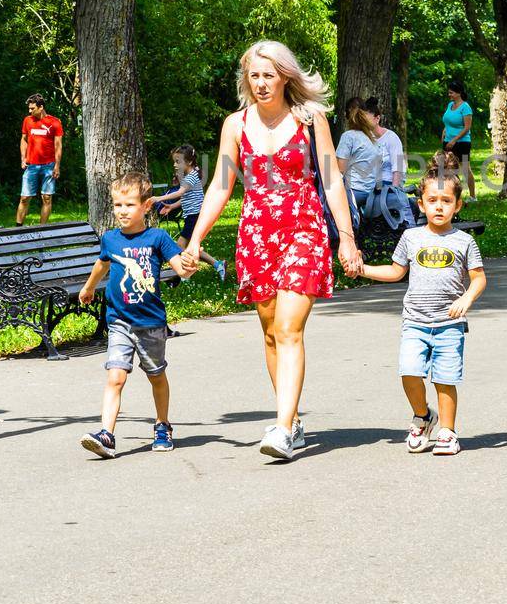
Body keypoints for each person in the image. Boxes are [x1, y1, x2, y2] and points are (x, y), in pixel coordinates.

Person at [183, 40, 363, 461]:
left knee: (287, 329)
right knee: (269, 332)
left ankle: (282, 429)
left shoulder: (309, 118)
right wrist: (196, 240)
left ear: (285, 76)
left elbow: (332, 180)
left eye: (269, 75)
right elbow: (221, 186)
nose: (261, 83)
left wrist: (347, 236)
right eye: (254, 75)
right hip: (257, 233)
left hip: (304, 228)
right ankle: (294, 419)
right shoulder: (236, 124)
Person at [357, 171, 487, 457]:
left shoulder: (464, 241)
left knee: (445, 379)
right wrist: (363, 270)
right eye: (432, 200)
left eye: (446, 200)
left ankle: (447, 432)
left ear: (458, 205)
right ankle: (423, 417)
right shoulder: (411, 237)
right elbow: (395, 271)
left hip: (449, 324)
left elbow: (478, 278)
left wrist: (467, 298)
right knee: (409, 372)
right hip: (415, 322)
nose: (439, 206)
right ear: (421, 205)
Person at [78, 173, 196, 458]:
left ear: (146, 206)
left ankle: (162, 425)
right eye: (117, 205)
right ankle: (106, 434)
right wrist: (88, 287)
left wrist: (189, 266)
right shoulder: (110, 239)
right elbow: (102, 264)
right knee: (115, 377)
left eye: (129, 205)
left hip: (151, 323)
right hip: (118, 320)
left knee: (156, 376)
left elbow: (180, 268)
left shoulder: (157, 237)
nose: (122, 211)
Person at [154, 145, 226, 281]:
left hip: (195, 216)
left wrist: (159, 198)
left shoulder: (190, 178)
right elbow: (185, 198)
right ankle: (218, 265)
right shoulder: (191, 175)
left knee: (180, 246)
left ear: (189, 162)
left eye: (178, 161)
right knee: (190, 246)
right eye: (174, 161)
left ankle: (182, 276)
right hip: (192, 216)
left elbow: (180, 193)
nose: (175, 165)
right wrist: (171, 207)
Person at [336, 97, 387, 223]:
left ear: (346, 116)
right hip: (370, 194)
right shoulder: (373, 140)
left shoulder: (348, 136)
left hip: (352, 192)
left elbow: (340, 169)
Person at [17, 94, 63, 226]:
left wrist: (57, 166)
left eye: (32, 108)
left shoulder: (54, 122)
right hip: (31, 166)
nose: (30, 111)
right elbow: (24, 140)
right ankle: (18, 228)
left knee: (47, 198)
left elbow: (58, 145)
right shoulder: (27, 121)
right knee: (24, 198)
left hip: (49, 166)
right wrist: (23, 158)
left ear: (41, 107)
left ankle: (42, 230)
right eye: (29, 109)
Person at [441, 80, 475, 198]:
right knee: (449, 169)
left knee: (466, 169)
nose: (449, 95)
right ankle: (453, 195)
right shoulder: (450, 105)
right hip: (448, 141)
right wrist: (444, 134)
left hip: (462, 143)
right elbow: (447, 122)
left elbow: (467, 128)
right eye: (449, 92)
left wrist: (454, 140)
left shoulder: (465, 107)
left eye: (451, 93)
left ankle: (472, 196)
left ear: (459, 93)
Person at [365, 97, 407, 187]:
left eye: (366, 120)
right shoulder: (363, 138)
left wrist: (393, 189)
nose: (364, 124)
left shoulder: (391, 138)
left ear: (377, 118)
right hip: (369, 183)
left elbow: (398, 166)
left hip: (388, 181)